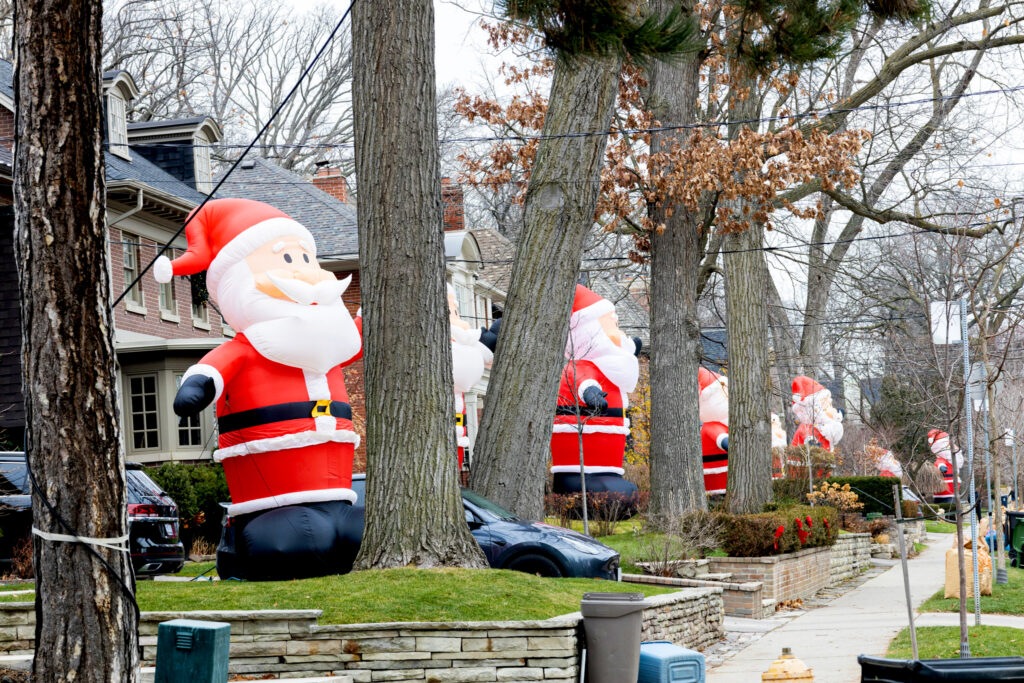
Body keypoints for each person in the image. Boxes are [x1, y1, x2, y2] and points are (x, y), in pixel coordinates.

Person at [156, 198, 363, 580]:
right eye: (287, 260)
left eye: (306, 259)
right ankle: (259, 542)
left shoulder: (334, 343)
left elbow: (358, 339)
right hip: (272, 501)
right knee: (295, 538)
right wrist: (197, 387)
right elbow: (210, 371)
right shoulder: (245, 348)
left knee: (355, 533)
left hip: (336, 494)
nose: (304, 273)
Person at [550, 284, 642, 498]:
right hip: (579, 462)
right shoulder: (579, 368)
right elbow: (579, 382)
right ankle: (578, 482)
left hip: (607, 461)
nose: (621, 334)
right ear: (591, 331)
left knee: (621, 492)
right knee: (617, 495)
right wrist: (590, 393)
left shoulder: (610, 370)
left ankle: (607, 474)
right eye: (614, 325)